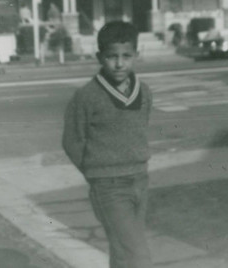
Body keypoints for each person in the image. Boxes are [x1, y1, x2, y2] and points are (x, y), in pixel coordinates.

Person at [62, 21, 153, 268]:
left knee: (123, 253)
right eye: (112, 56)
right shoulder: (86, 96)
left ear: (136, 55)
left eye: (126, 56)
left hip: (140, 180)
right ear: (100, 57)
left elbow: (140, 126)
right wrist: (96, 171)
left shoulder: (144, 91)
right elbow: (72, 139)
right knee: (138, 255)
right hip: (109, 187)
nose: (120, 63)